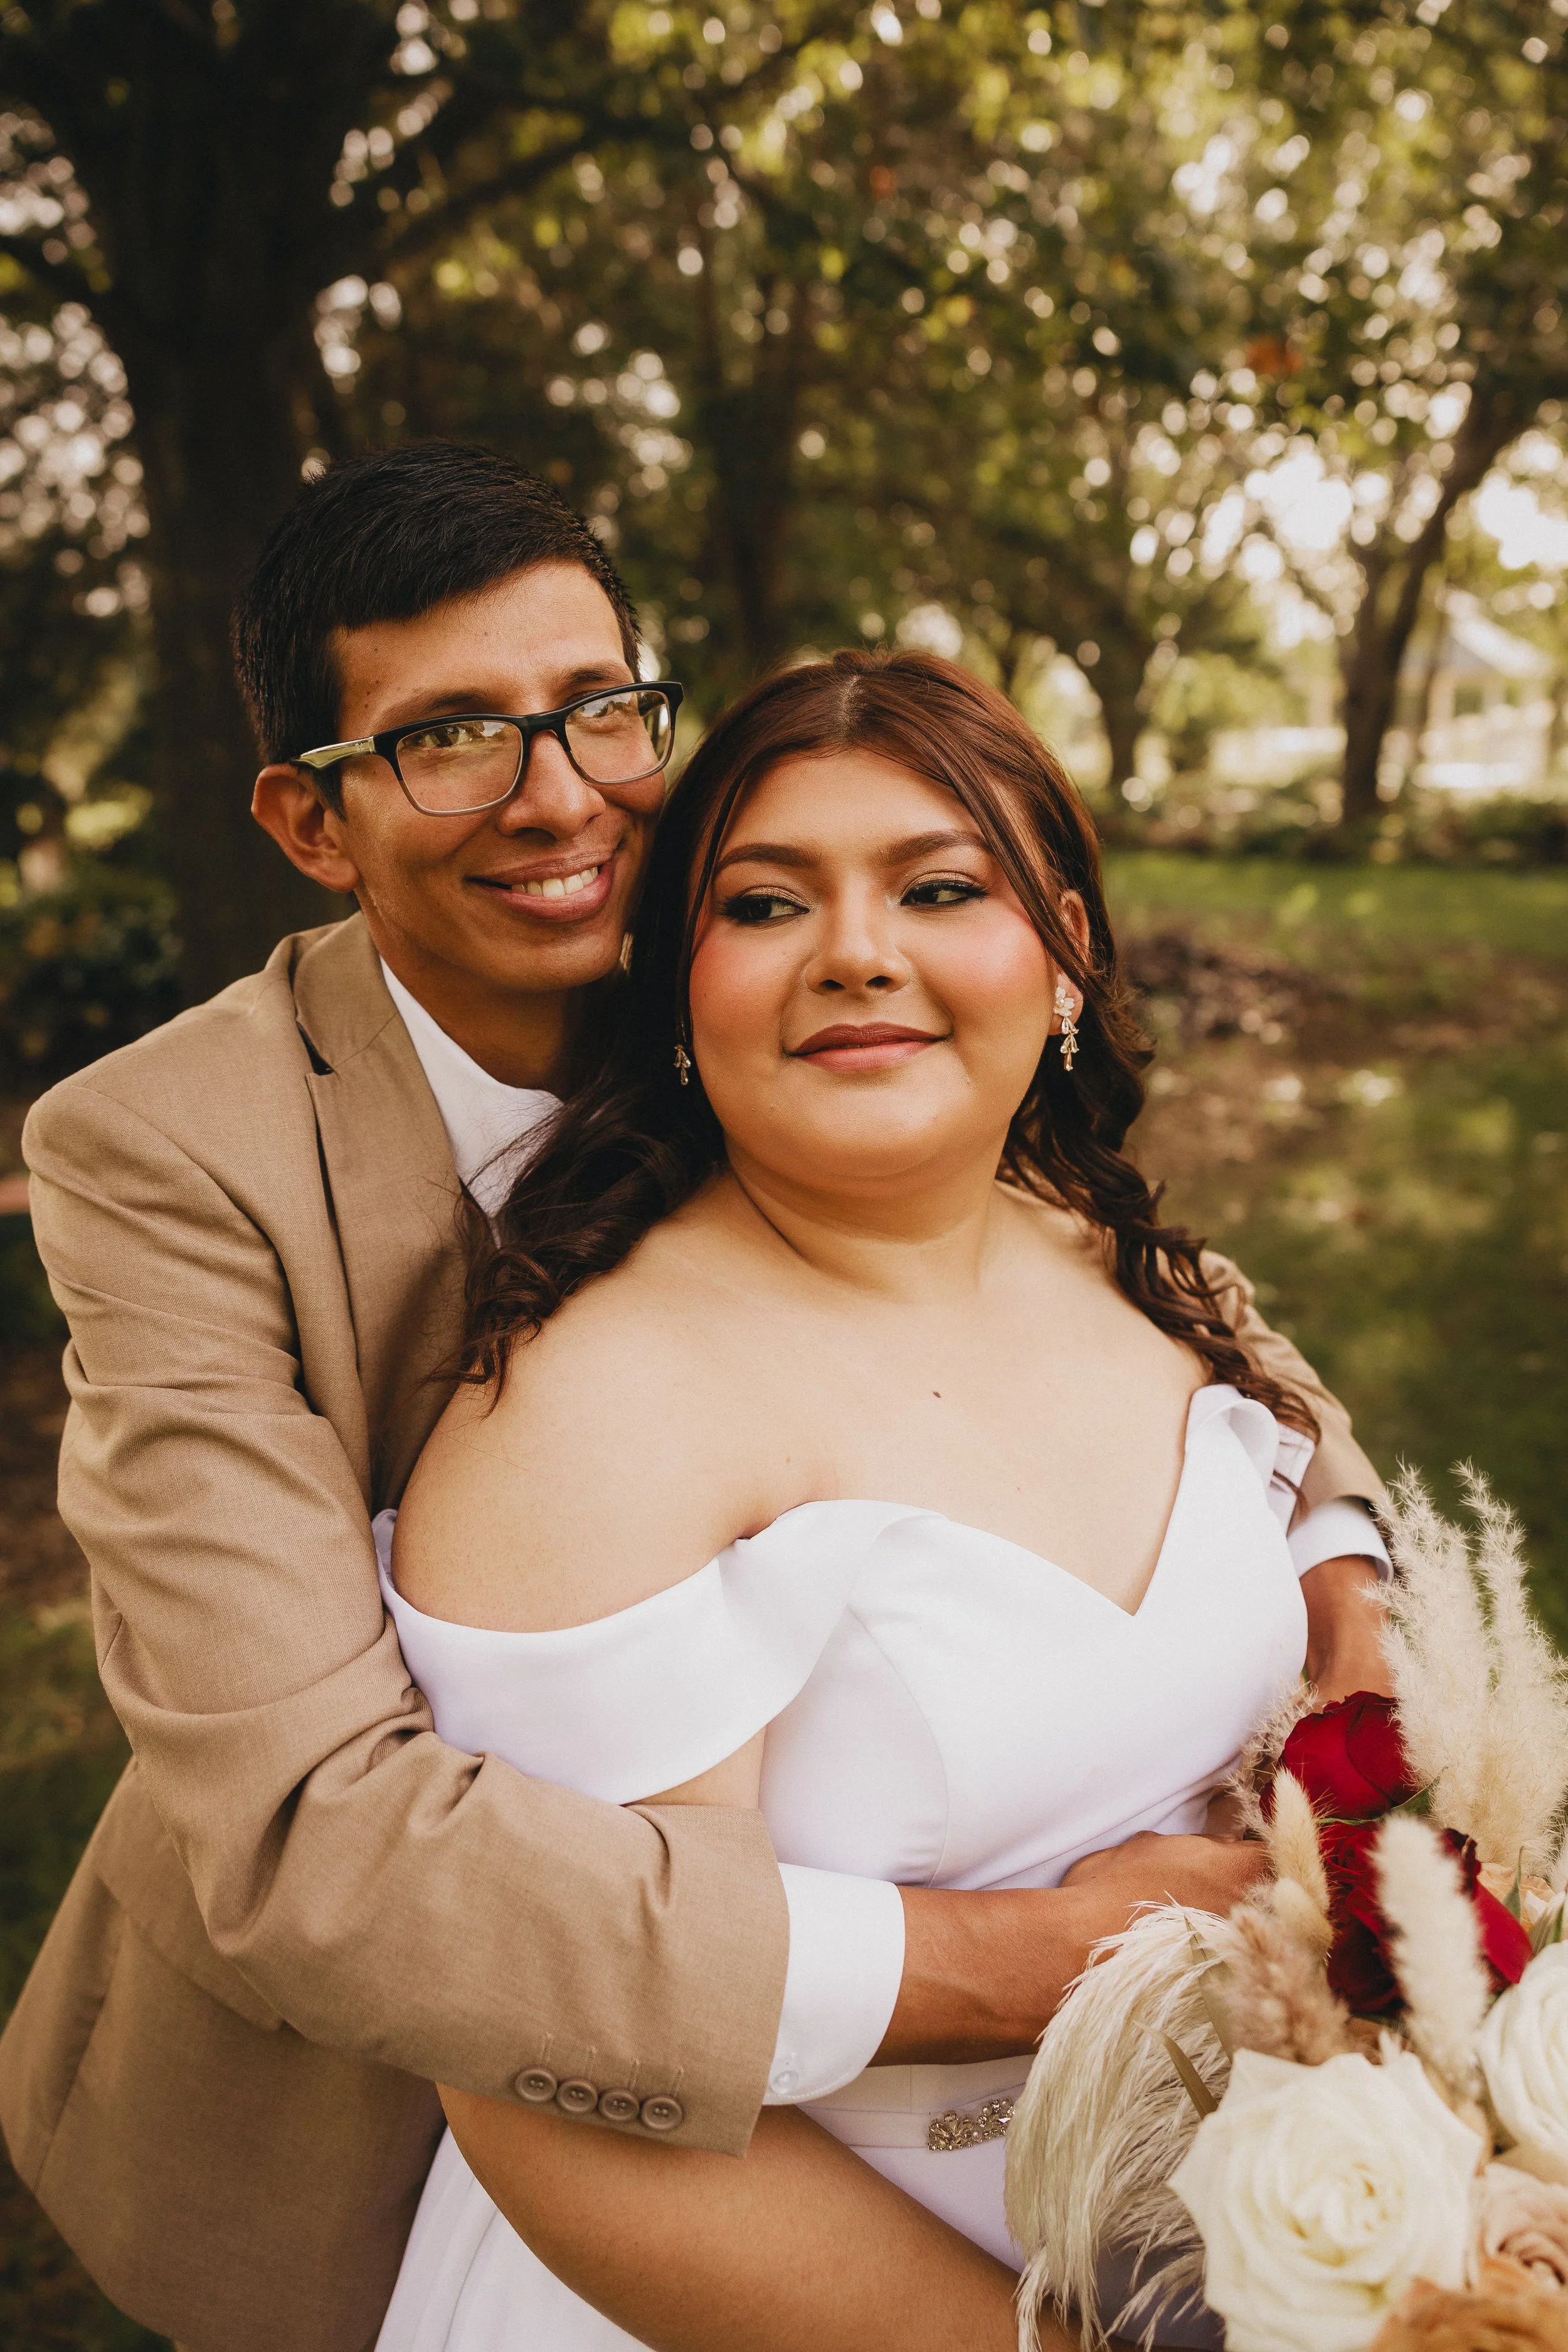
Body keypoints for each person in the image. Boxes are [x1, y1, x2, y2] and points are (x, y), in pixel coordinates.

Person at [0, 444, 1387, 2352]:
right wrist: (1024, 1961)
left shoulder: (790, 990)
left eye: (596, 708)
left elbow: (1178, 1317)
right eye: (450, 738)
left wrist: (1352, 1621)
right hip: (419, 2054)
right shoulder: (173, 1152)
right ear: (313, 823)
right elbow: (320, 1834)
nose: (560, 794)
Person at [370, 646, 1394, 2351]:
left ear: (1063, 955)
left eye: (937, 884)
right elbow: (562, 2093)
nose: (858, 950)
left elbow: (1299, 1484)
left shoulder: (1118, 1261)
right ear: (679, 990)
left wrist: (1355, 1641)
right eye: (767, 902)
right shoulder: (595, 1409)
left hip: (1249, 2235)